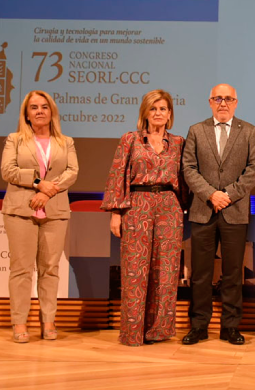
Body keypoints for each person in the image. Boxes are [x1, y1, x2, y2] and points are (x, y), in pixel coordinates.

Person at [101, 89, 188, 346]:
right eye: (153, 108)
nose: (158, 113)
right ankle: (132, 332)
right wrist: (116, 213)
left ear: (170, 113)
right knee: (135, 272)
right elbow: (118, 174)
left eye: (163, 109)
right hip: (137, 205)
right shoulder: (131, 139)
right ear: (145, 113)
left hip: (169, 207)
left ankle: (158, 331)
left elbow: (185, 179)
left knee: (167, 272)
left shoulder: (179, 142)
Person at [182, 84, 255, 346]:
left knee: (232, 273)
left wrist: (227, 194)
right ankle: (198, 326)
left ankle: (230, 327)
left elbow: (254, 169)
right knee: (201, 274)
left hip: (234, 210)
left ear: (236, 102)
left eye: (229, 99)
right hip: (202, 211)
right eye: (218, 98)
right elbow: (189, 168)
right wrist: (210, 194)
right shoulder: (196, 130)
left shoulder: (249, 131)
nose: (223, 103)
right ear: (210, 102)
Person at [0, 90, 79, 343]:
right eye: (34, 107)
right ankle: (19, 322)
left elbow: (72, 172)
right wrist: (38, 183)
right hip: (20, 210)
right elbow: (8, 170)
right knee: (21, 270)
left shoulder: (66, 141)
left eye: (44, 106)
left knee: (50, 270)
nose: (40, 111)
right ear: (26, 113)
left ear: (52, 111)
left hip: (54, 211)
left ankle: (48, 320)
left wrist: (47, 192)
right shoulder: (15, 139)